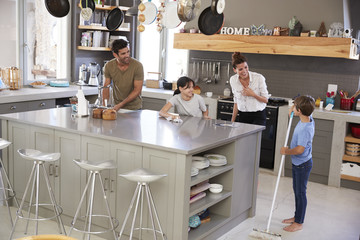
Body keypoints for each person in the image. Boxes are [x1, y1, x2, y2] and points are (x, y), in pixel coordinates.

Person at [280, 95, 315, 232]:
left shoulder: (305, 128)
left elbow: (300, 149)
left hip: (302, 164)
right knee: (297, 191)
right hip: (300, 163)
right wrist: (292, 112)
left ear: (299, 110)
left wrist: (286, 151)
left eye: (294, 107)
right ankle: (297, 216)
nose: (292, 108)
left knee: (300, 193)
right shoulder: (308, 118)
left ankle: (299, 222)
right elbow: (306, 107)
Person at [103, 39, 144, 111]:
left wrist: (120, 104)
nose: (127, 55)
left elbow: (137, 90)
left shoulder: (137, 66)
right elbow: (106, 87)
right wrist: (104, 107)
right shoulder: (109, 66)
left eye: (128, 52)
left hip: (134, 108)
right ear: (115, 55)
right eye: (123, 54)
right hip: (117, 107)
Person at [230, 52, 269, 126]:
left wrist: (253, 94)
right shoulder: (233, 80)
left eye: (246, 67)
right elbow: (236, 102)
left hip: (258, 116)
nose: (244, 71)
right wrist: (232, 121)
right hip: (243, 115)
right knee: (242, 137)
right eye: (240, 69)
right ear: (235, 70)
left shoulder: (258, 78)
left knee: (254, 137)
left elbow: (265, 100)